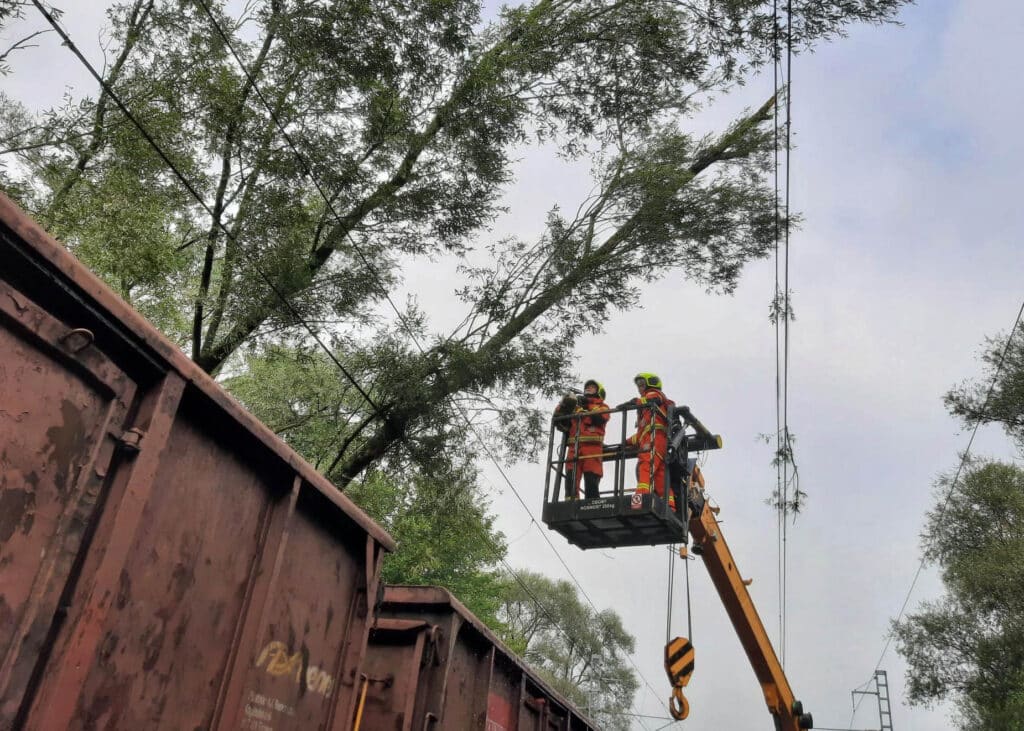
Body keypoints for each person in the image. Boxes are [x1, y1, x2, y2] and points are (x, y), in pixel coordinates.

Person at [626, 372, 676, 510]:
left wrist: (634, 402)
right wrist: (625, 442)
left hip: (656, 437)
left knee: (646, 464)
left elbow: (654, 400)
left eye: (642, 384)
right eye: (638, 385)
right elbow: (640, 434)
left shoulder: (654, 394)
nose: (639, 388)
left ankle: (640, 497)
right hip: (652, 438)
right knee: (659, 474)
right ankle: (670, 505)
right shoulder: (645, 412)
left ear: (651, 384)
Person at [553, 379, 610, 499]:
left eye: (592, 387)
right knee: (570, 483)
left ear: (599, 392)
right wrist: (565, 403)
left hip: (592, 450)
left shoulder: (602, 406)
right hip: (574, 449)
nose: (588, 388)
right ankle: (570, 507)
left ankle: (592, 507)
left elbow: (599, 418)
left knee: (591, 482)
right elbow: (558, 420)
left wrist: (587, 405)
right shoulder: (575, 407)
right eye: (587, 387)